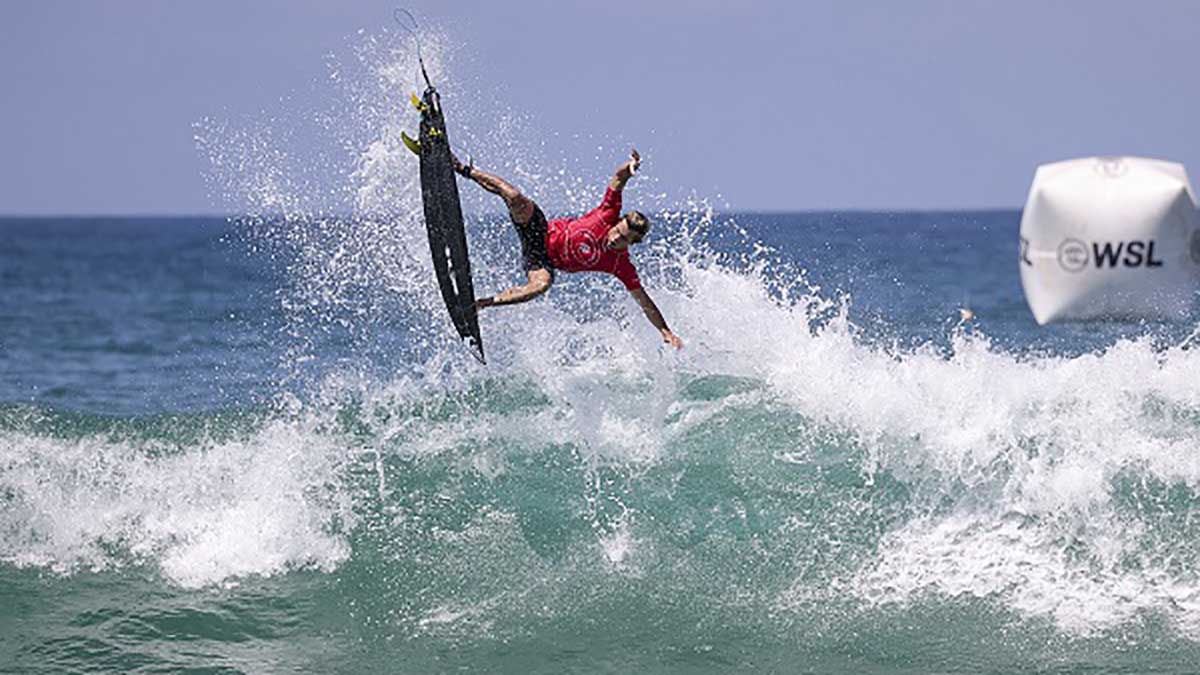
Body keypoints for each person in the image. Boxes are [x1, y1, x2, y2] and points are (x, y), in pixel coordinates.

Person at [453, 149, 683, 349]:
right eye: (617, 231)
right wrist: (630, 167)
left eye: (623, 239)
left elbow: (644, 300)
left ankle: (482, 304)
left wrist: (665, 331)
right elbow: (618, 178)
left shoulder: (620, 265)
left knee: (541, 286)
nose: (614, 238)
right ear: (617, 222)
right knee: (514, 197)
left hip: (542, 260)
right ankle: (462, 168)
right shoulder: (608, 213)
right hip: (539, 231)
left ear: (631, 244)